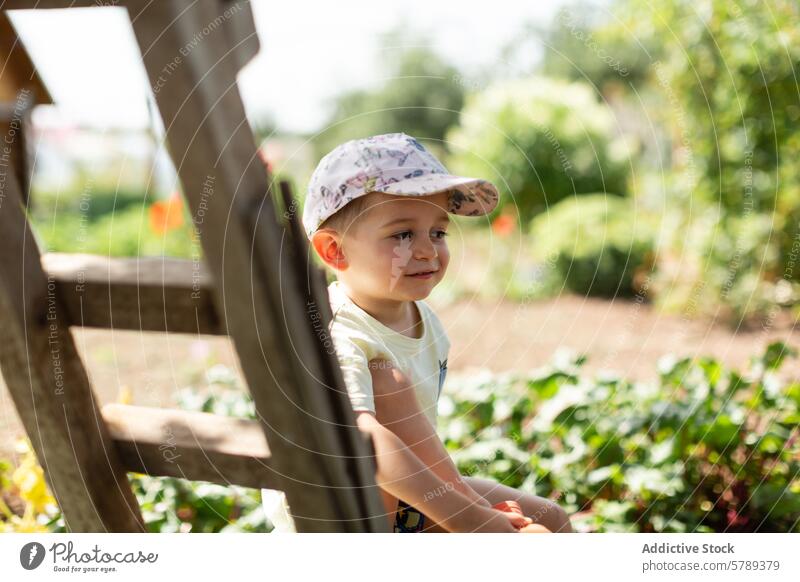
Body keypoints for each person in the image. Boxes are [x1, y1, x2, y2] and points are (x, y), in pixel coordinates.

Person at [261, 132, 573, 533]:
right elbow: (362, 439)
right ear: (334, 251)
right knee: (387, 383)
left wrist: (467, 498)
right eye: (403, 234)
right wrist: (474, 518)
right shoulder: (337, 330)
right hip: (337, 511)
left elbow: (419, 439)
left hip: (401, 498)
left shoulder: (419, 315)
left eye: (438, 232)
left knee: (551, 517)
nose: (427, 250)